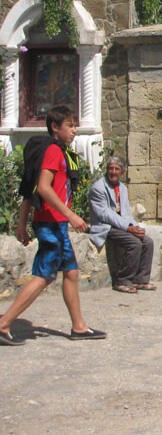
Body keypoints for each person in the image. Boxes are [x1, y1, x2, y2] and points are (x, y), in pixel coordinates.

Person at [0, 105, 106, 345]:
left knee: (71, 272)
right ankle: (4, 324)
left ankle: (79, 327)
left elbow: (29, 190)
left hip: (54, 223)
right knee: (44, 276)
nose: (74, 130)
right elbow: (43, 188)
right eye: (70, 125)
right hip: (51, 224)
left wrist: (21, 223)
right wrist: (71, 215)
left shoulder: (57, 151)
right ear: (55, 127)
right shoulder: (53, 152)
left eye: (75, 125)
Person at [88, 157, 156, 294]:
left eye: (116, 169)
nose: (113, 172)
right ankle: (123, 280)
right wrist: (128, 228)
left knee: (147, 241)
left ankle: (140, 279)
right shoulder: (98, 188)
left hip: (120, 225)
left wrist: (134, 226)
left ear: (122, 171)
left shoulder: (122, 189)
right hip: (105, 226)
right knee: (134, 243)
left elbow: (125, 213)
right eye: (110, 168)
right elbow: (105, 214)